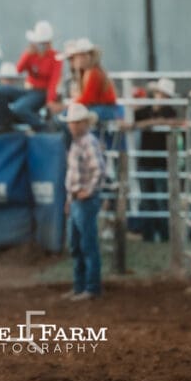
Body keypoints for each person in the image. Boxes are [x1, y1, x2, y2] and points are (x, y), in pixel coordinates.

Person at [127, 77, 180, 242]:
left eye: (164, 95)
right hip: (147, 161)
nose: (161, 97)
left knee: (160, 199)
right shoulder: (146, 110)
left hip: (160, 162)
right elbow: (132, 122)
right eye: (159, 94)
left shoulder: (169, 112)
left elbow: (173, 122)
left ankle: (163, 235)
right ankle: (148, 235)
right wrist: (153, 122)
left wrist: (151, 122)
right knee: (148, 199)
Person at [62, 103, 105, 301]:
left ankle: (90, 287)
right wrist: (71, 198)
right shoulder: (79, 142)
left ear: (84, 123)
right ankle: (82, 286)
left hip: (84, 200)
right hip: (77, 199)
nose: (72, 126)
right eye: (72, 122)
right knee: (77, 245)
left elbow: (99, 169)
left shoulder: (87, 142)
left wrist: (88, 190)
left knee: (86, 244)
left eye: (76, 122)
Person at [0, 20, 61, 132]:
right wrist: (27, 54)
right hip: (29, 90)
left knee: (19, 108)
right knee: (1, 91)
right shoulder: (31, 54)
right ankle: (4, 127)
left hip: (42, 93)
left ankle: (44, 129)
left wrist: (50, 100)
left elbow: (53, 81)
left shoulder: (55, 57)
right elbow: (18, 70)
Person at [70, 38, 118, 126]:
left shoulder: (94, 72)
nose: (81, 59)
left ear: (91, 56)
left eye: (84, 55)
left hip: (106, 109)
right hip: (98, 107)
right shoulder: (87, 72)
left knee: (73, 116)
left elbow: (89, 97)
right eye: (79, 56)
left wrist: (73, 104)